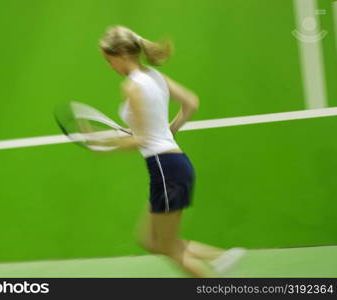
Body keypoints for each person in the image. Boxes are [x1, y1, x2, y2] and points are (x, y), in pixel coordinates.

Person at [98, 25, 245, 277]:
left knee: (167, 246)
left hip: (165, 168)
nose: (110, 66)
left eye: (109, 60)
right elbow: (191, 102)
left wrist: (107, 145)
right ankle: (221, 257)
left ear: (121, 54)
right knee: (148, 240)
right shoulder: (156, 77)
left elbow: (141, 138)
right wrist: (171, 130)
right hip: (175, 165)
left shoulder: (131, 86)